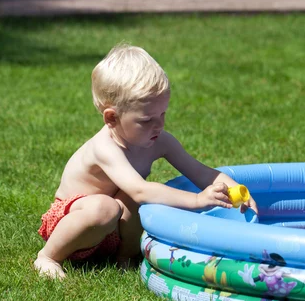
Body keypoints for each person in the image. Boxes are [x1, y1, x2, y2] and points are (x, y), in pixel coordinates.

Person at [33, 44, 258, 279]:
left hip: (108, 229)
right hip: (71, 226)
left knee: (137, 199)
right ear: (112, 117)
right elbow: (140, 190)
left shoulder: (161, 140)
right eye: (147, 119)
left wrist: (236, 190)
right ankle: (48, 257)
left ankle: (125, 257)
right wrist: (198, 200)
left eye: (163, 114)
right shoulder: (105, 147)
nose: (158, 125)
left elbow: (201, 172)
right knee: (114, 203)